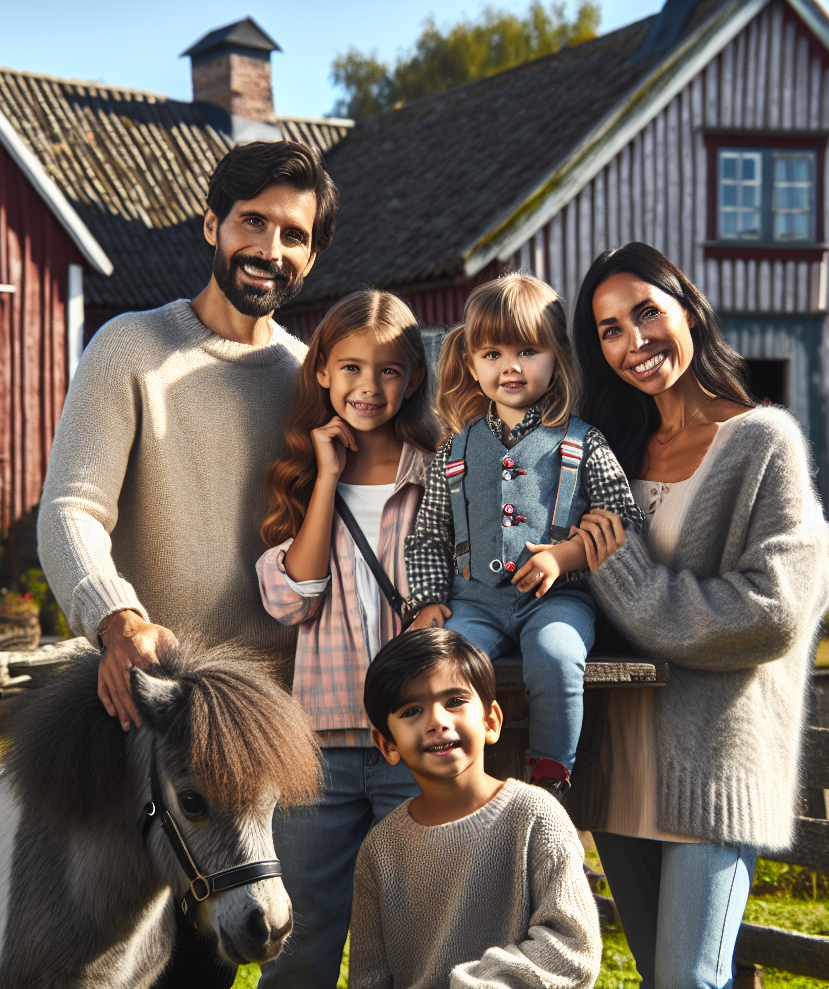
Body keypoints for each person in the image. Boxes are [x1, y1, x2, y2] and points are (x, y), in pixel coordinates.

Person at [37, 139, 338, 989]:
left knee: (206, 973)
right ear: (212, 222)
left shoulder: (308, 377)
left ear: (312, 255)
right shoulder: (129, 348)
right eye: (253, 222)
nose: (270, 250)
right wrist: (114, 617)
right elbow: (70, 511)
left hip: (249, 744)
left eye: (294, 235)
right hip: (135, 721)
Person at [568, 243, 829, 989]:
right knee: (661, 976)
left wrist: (621, 573)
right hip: (617, 750)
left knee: (689, 979)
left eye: (647, 312)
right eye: (610, 330)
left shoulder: (761, 441)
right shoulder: (605, 449)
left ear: (687, 308)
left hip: (713, 760)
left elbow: (771, 612)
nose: (634, 341)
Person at [255, 291, 442, 987]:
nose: (369, 386)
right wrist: (329, 476)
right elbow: (289, 600)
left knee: (410, 941)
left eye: (389, 370)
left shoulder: (440, 472)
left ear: (413, 379)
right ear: (324, 375)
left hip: (417, 742)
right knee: (302, 941)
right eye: (351, 368)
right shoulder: (304, 476)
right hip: (319, 749)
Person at [405, 273, 642, 796]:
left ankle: (550, 774)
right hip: (475, 601)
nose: (509, 366)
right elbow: (427, 537)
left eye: (528, 350)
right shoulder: (454, 452)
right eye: (491, 354)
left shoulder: (583, 442)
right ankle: (457, 778)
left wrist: (565, 555)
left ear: (556, 357)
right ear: (470, 363)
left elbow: (625, 518)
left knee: (556, 657)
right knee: (441, 666)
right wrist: (425, 602)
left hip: (558, 600)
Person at [350, 626, 601, 989]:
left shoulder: (536, 816)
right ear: (387, 744)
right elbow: (368, 978)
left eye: (454, 701)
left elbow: (573, 949)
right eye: (412, 710)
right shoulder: (380, 849)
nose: (437, 722)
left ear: (490, 721)